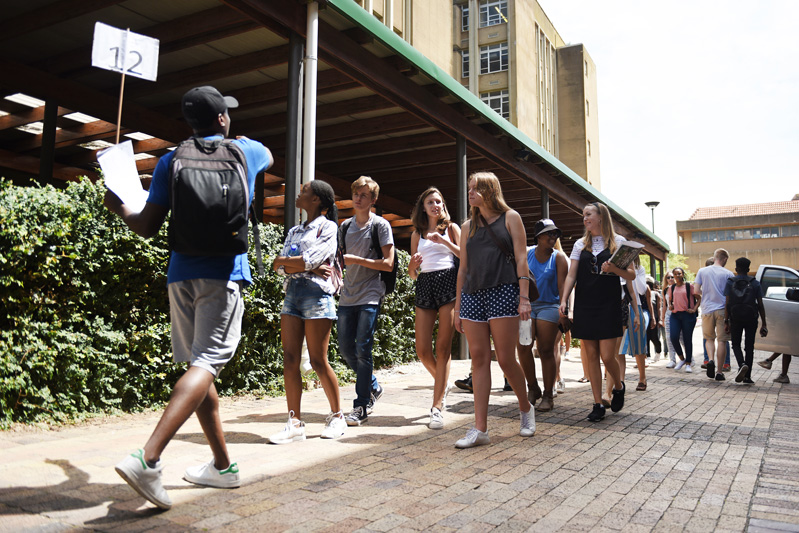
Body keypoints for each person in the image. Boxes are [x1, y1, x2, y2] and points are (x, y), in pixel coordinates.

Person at [105, 86, 273, 509]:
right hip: (224, 273)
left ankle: (222, 466)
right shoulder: (245, 152)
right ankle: (148, 457)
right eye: (226, 114)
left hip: (180, 274)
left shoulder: (169, 160)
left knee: (200, 363)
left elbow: (146, 226)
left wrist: (119, 207)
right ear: (221, 119)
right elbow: (267, 155)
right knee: (208, 363)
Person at [453, 172, 536, 448]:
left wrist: (524, 298)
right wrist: (457, 306)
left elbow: (522, 258)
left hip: (504, 290)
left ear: (490, 190)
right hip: (473, 295)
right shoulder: (467, 226)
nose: (471, 193)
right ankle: (480, 429)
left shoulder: (511, 217)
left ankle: (525, 408)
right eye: (469, 189)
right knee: (477, 358)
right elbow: (463, 268)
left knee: (504, 358)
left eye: (476, 188)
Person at [269, 180, 347, 443]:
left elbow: (308, 260)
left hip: (317, 296)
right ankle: (295, 423)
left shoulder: (328, 227)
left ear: (316, 200)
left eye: (304, 191)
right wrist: (299, 265)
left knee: (317, 360)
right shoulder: (293, 230)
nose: (299, 193)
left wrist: (294, 264)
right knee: (289, 359)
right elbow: (277, 266)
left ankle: (338, 417)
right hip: (292, 294)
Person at [560, 202, 635, 422]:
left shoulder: (618, 243)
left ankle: (618, 387)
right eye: (583, 215)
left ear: (601, 216)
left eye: (588, 214)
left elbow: (630, 275)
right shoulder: (579, 244)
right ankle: (597, 403)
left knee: (607, 356)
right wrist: (564, 300)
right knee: (590, 355)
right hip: (585, 303)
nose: (585, 218)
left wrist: (613, 269)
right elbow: (571, 275)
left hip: (608, 303)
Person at [338, 176, 395, 426]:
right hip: (347, 295)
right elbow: (340, 260)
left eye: (363, 195)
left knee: (363, 348)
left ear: (373, 199)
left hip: (371, 293)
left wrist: (357, 260)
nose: (358, 198)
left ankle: (361, 405)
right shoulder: (344, 227)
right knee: (345, 349)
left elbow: (389, 263)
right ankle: (373, 386)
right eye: (355, 194)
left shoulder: (380, 226)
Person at [408, 187, 461, 429]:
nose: (435, 205)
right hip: (426, 283)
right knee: (421, 350)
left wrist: (444, 242)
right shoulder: (416, 234)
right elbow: (412, 274)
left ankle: (437, 406)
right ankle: (443, 381)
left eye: (439, 201)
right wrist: (412, 265)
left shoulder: (451, 228)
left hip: (448, 280)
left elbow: (465, 256)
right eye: (430, 201)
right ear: (423, 206)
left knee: (443, 347)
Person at [516, 219, 568, 412]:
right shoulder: (527, 254)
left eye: (555, 234)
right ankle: (533, 387)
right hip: (527, 305)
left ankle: (548, 394)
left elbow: (563, 286)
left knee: (546, 350)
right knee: (522, 347)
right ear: (538, 237)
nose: (553, 237)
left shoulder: (559, 258)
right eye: (549, 234)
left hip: (549, 306)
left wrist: (564, 310)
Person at [724, 257, 767, 384]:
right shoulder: (755, 282)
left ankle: (741, 364)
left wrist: (726, 321)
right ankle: (747, 377)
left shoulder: (730, 282)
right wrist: (764, 323)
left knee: (735, 344)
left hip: (735, 318)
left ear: (736, 269)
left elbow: (727, 304)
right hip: (751, 318)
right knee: (749, 347)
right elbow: (760, 304)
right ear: (748, 269)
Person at [694, 249, 734, 381]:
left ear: (715, 257)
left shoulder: (702, 271)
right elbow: (731, 294)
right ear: (724, 259)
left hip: (707, 309)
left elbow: (696, 290)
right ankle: (719, 371)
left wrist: (705, 293)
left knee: (709, 338)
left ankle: (710, 360)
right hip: (722, 309)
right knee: (722, 340)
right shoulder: (728, 273)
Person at [668, 267, 701, 372]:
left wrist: (694, 309)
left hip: (687, 315)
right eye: (675, 274)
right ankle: (681, 359)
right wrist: (670, 306)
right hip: (675, 315)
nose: (677, 276)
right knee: (673, 337)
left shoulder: (689, 286)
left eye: (679, 273)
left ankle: (688, 363)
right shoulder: (671, 288)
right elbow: (669, 300)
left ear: (682, 274)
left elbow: (699, 298)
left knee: (687, 339)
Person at [662, 270, 681, 368]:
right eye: (668, 277)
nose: (670, 279)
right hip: (669, 315)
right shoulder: (665, 290)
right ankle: (672, 360)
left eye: (671, 277)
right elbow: (664, 305)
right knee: (669, 338)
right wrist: (662, 317)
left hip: (679, 314)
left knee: (681, 338)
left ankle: (689, 359)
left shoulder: (680, 287)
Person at [646, 278, 663, 363]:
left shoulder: (656, 294)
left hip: (654, 318)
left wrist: (660, 319)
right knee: (646, 338)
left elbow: (659, 308)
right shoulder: (642, 293)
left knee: (654, 337)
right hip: (646, 318)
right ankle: (647, 355)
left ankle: (658, 351)